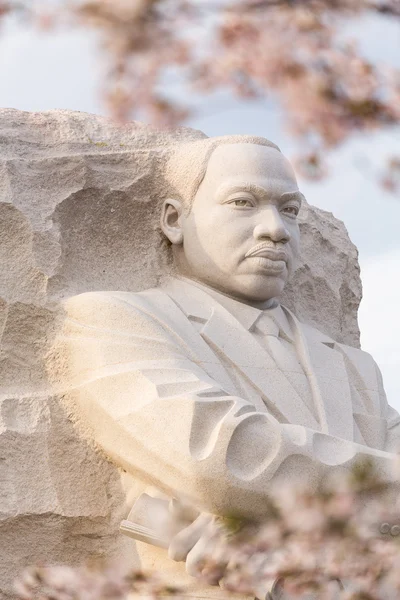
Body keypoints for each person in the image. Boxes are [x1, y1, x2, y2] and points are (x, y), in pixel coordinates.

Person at [59, 135, 400, 594]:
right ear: (175, 221)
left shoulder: (356, 369)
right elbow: (218, 454)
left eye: (290, 210)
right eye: (243, 202)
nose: (275, 229)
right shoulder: (117, 319)